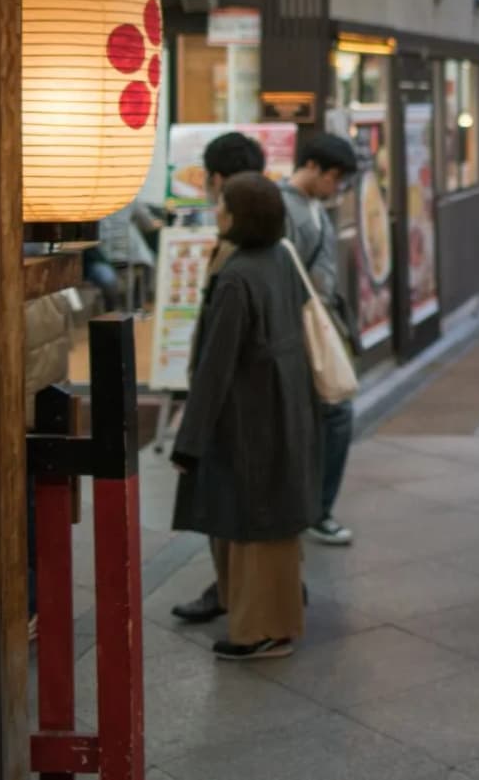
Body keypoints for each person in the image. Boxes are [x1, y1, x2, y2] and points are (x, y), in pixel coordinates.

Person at [170, 173, 321, 661]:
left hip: (246, 417)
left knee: (252, 523)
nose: (217, 213)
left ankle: (261, 631)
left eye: (223, 207)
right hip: (285, 407)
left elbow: (214, 367)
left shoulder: (236, 277)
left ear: (238, 217)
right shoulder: (279, 259)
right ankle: (268, 620)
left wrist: (187, 442)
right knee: (273, 521)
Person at [172, 131, 268, 627]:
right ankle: (246, 589)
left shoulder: (237, 256)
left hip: (236, 403)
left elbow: (219, 352)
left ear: (216, 181)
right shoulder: (268, 233)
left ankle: (240, 595)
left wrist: (192, 430)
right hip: (260, 401)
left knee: (231, 504)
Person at [281, 133, 360, 549]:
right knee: (335, 415)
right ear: (312, 166)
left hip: (317, 326)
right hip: (301, 331)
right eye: (335, 178)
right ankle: (315, 511)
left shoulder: (313, 207)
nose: (337, 188)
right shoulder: (285, 207)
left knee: (331, 416)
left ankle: (312, 508)